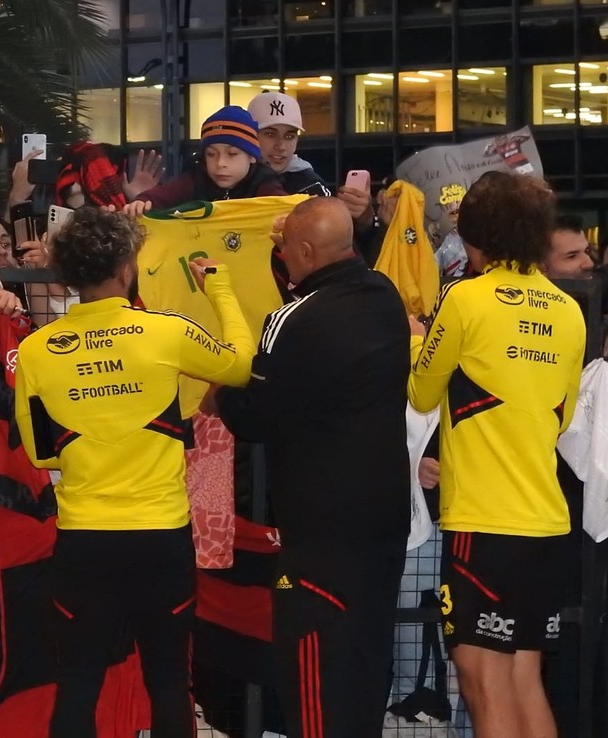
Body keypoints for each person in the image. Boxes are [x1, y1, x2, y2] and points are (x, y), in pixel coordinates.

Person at [13, 207, 255, 738]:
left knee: (77, 681)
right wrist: (220, 288)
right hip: (159, 539)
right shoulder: (164, 332)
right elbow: (240, 364)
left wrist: (95, 434)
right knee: (168, 682)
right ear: (126, 269)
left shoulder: (34, 351)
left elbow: (40, 454)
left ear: (69, 274)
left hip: (83, 540)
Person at [207, 196, 411, 737]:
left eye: (284, 249)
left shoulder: (290, 319)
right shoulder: (385, 298)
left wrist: (220, 392)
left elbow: (255, 415)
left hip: (321, 528)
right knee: (365, 662)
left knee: (315, 669)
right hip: (385, 519)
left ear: (301, 249)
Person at [407, 170, 586, 738]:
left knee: (483, 680)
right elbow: (565, 416)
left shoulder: (464, 297)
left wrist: (418, 339)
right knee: (523, 676)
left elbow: (420, 391)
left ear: (474, 235)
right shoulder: (567, 309)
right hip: (547, 521)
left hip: (483, 524)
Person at [123, 105, 286, 217]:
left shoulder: (264, 183)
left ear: (252, 157)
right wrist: (142, 201)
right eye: (211, 154)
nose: (220, 163)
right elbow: (165, 194)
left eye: (232, 154)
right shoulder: (196, 178)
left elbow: (286, 207)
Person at [246, 91, 332, 196]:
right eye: (270, 134)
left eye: (289, 136)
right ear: (250, 136)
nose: (281, 146)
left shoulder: (310, 186)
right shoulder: (229, 179)